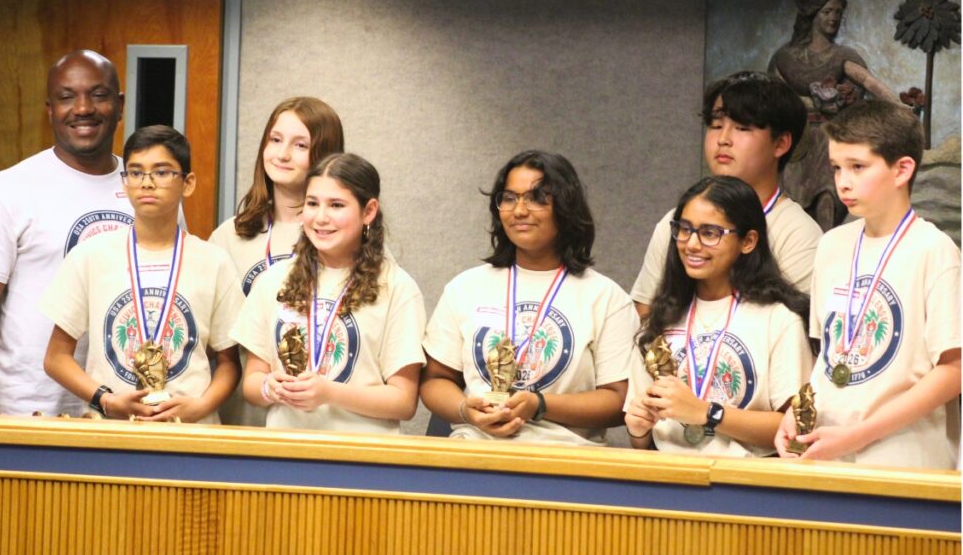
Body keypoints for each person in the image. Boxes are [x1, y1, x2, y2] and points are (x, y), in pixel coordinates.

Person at [775, 101, 960, 468]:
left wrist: (859, 434)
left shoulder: (934, 250)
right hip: (827, 446)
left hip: (904, 455)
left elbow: (954, 370)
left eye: (858, 167)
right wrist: (798, 410)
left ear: (902, 169)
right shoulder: (832, 244)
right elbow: (830, 356)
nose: (843, 182)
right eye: (836, 167)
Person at [0, 50, 135, 416]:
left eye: (98, 95)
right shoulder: (6, 191)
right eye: (67, 97)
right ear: (50, 110)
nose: (83, 108)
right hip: (28, 408)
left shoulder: (149, 188)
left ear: (120, 105)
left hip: (126, 409)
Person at [421, 150, 637, 445]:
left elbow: (620, 400)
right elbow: (435, 380)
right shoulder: (465, 288)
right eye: (509, 198)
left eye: (536, 198)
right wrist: (466, 410)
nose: (519, 210)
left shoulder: (605, 298)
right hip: (476, 449)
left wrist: (540, 405)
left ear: (565, 208)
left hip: (567, 457)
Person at [41, 126, 242, 423]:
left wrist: (200, 407)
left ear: (187, 183)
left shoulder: (214, 262)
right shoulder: (90, 256)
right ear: (124, 183)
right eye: (135, 172)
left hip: (189, 432)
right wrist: (106, 400)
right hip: (112, 430)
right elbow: (56, 358)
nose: (147, 183)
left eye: (161, 172)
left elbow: (229, 363)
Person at [231, 153, 425, 435]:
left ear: (369, 211)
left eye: (336, 205)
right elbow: (252, 382)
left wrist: (329, 393)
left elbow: (403, 401)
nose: (321, 218)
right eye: (312, 203)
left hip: (363, 453)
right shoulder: (273, 280)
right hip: (285, 448)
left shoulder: (397, 287)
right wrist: (268, 387)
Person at [625, 175, 812, 456]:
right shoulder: (661, 319)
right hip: (668, 471)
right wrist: (638, 429)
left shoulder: (779, 319)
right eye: (684, 229)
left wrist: (707, 413)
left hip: (747, 476)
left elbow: (794, 428)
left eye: (710, 233)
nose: (691, 244)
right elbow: (644, 439)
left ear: (748, 241)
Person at [630, 71, 821, 320]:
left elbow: (792, 328)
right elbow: (644, 316)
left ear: (780, 144)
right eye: (716, 126)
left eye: (742, 128)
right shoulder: (677, 223)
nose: (723, 139)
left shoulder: (800, 235)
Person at [209, 97, 344, 426]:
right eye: (275, 139)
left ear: (325, 155)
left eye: (300, 145)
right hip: (243, 414)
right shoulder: (229, 236)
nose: (282, 154)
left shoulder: (341, 236)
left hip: (323, 418)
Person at [768, 0, 899, 230]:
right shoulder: (785, 58)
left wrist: (899, 106)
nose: (834, 18)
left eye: (838, 12)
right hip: (797, 143)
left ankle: (826, 244)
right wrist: (812, 102)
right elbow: (772, 98)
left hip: (830, 142)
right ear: (812, 14)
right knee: (790, 206)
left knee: (828, 196)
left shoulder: (842, 56)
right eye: (828, 11)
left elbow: (869, 82)